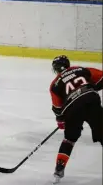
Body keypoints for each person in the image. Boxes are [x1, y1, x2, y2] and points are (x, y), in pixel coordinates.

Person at [49, 55, 103, 183]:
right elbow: (101, 77)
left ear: (55, 69)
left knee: (69, 139)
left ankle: (59, 169)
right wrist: (91, 88)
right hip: (91, 101)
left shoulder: (55, 84)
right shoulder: (80, 69)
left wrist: (60, 120)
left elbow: (57, 107)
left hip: (72, 109)